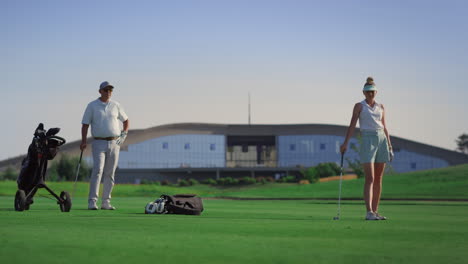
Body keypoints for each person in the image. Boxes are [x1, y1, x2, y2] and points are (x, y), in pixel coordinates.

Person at [340, 77, 393, 220]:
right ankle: (368, 212)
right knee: (370, 177)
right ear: (364, 92)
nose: (370, 94)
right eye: (368, 92)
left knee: (379, 178)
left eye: (372, 92)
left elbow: (385, 127)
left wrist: (389, 145)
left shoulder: (381, 107)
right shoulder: (359, 106)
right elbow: (352, 125)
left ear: (376, 92)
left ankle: (375, 211)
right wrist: (345, 143)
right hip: (367, 139)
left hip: (381, 139)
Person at [80, 81, 129, 210]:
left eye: (110, 90)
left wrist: (124, 134)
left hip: (114, 142)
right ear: (100, 91)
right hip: (98, 142)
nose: (108, 93)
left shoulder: (116, 105)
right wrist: (84, 141)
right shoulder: (92, 106)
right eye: (105, 90)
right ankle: (92, 201)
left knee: (110, 173)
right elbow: (85, 124)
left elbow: (126, 120)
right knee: (98, 171)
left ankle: (106, 202)